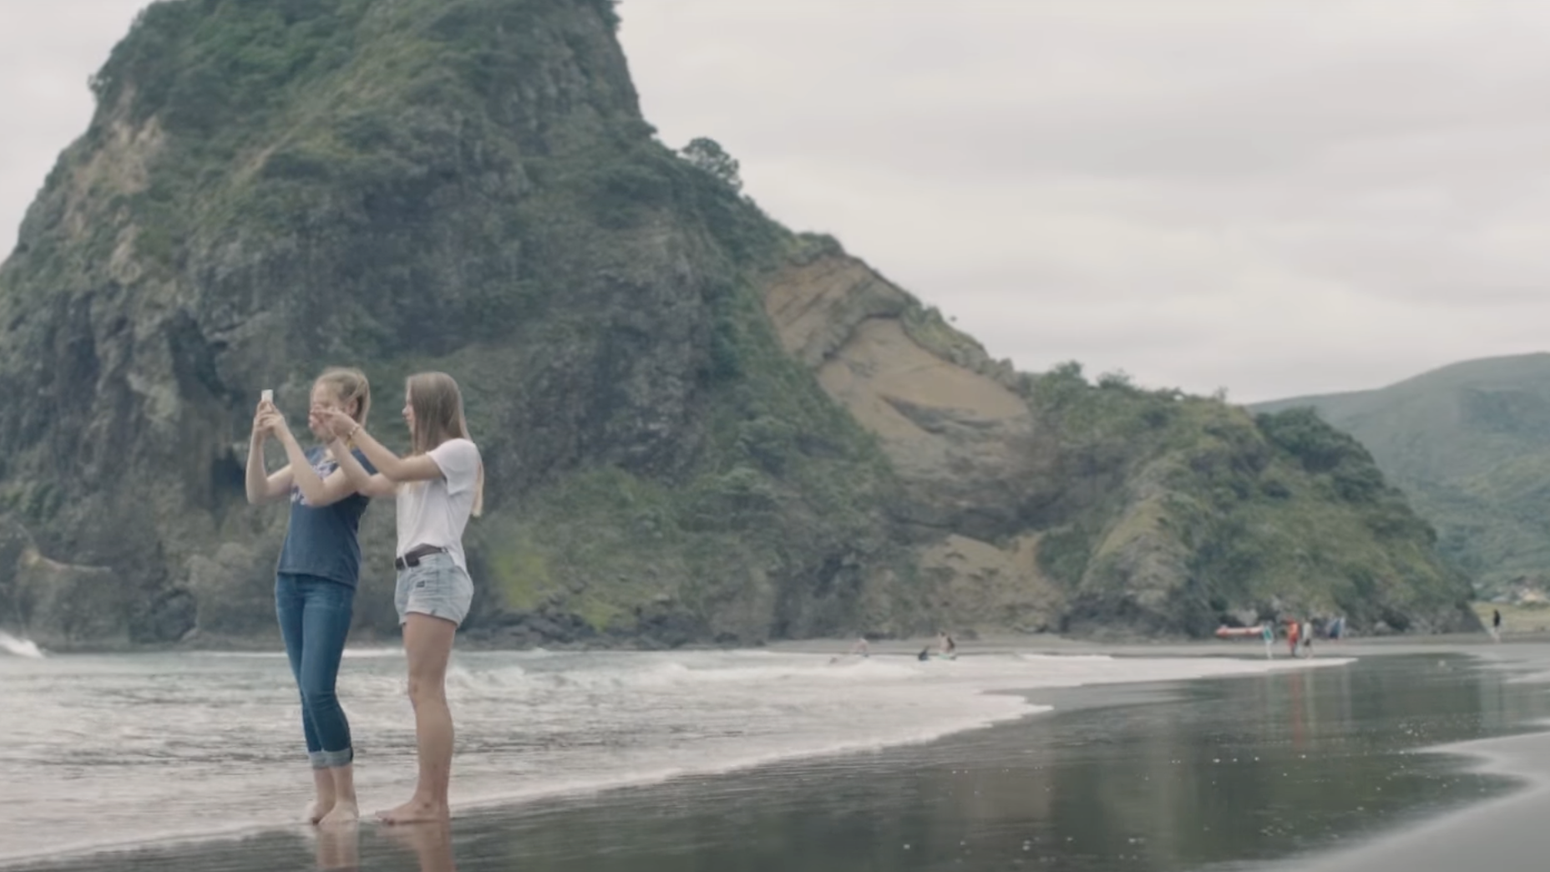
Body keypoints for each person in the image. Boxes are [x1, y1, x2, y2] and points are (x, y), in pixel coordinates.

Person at [319, 372, 483, 825]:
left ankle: (431, 801)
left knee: (425, 690)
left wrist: (352, 430)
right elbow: (372, 484)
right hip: (414, 576)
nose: (404, 411)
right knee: (420, 690)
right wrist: (336, 441)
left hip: (435, 571)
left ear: (430, 407)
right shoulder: (423, 462)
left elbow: (388, 469)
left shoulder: (458, 452)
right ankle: (429, 799)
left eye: (410, 403)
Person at [245, 368, 376, 827]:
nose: (316, 410)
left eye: (326, 402)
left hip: (329, 582)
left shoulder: (362, 459)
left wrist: (285, 436)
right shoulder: (314, 455)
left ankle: (348, 800)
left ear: (351, 407)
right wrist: (259, 440)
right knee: (305, 694)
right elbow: (258, 492)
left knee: (320, 690)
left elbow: (319, 494)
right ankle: (323, 797)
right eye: (313, 402)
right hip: (290, 580)